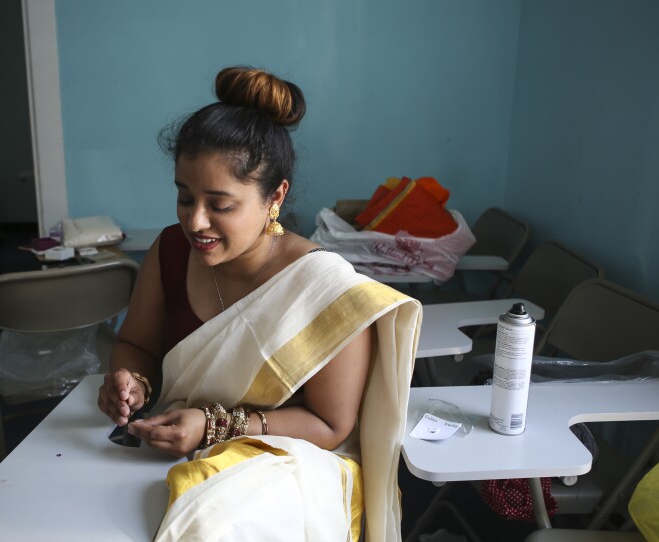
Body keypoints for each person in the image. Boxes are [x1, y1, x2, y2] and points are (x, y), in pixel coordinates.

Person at [97, 66, 422, 541]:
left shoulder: (324, 288)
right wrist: (132, 384)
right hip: (168, 456)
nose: (196, 221)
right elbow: (135, 344)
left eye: (220, 205)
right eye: (184, 198)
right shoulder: (170, 251)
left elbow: (330, 426)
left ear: (276, 196)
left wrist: (213, 426)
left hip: (291, 465)